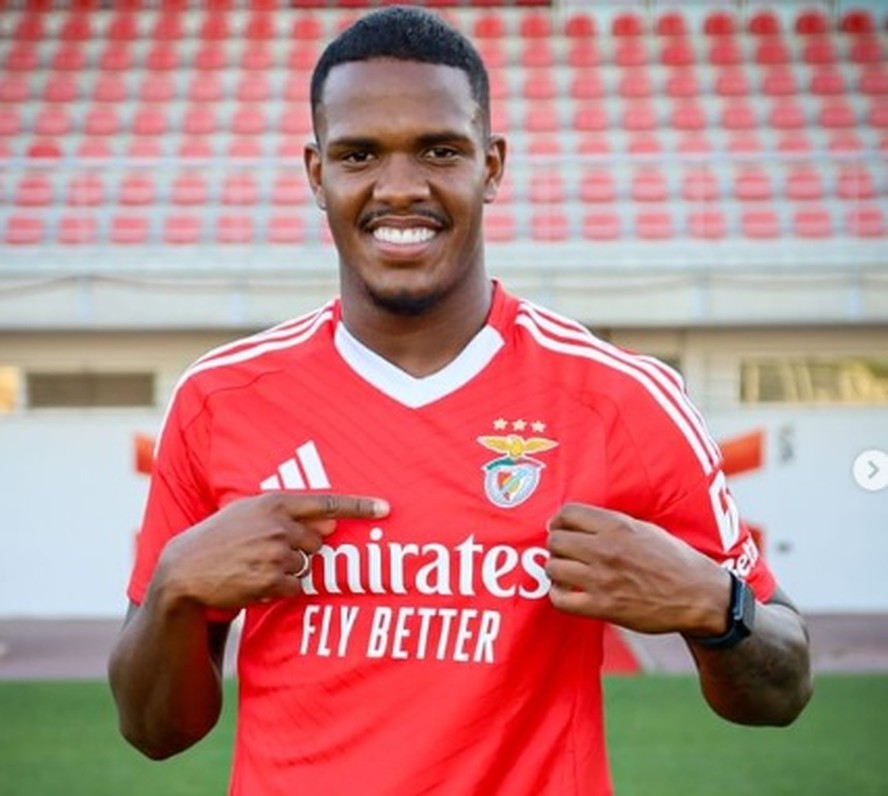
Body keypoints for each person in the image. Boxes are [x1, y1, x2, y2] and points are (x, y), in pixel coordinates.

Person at [108, 7, 813, 795]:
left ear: (492, 166)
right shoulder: (219, 400)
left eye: (440, 150)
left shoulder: (622, 399)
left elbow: (783, 689)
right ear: (316, 174)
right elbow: (153, 731)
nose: (400, 187)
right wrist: (173, 588)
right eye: (358, 154)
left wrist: (716, 606)